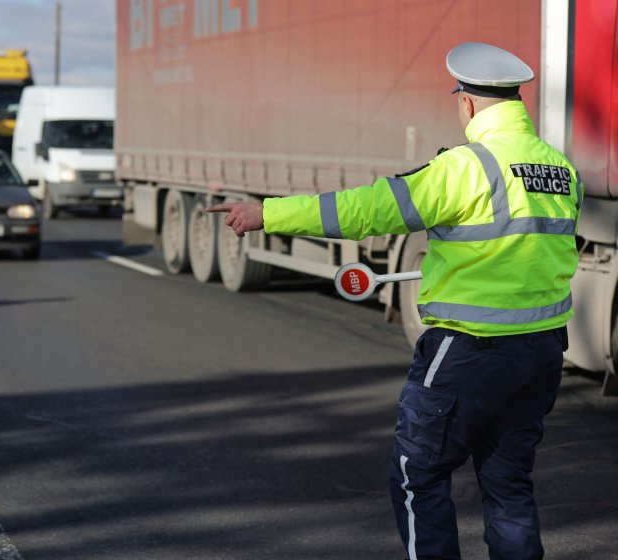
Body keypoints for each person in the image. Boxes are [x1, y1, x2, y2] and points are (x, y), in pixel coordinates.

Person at [207, 42, 583, 560]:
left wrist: (269, 214)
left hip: (470, 352)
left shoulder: (465, 168)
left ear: (468, 104)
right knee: (509, 483)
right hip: (541, 353)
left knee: (418, 476)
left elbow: (366, 211)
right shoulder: (561, 169)